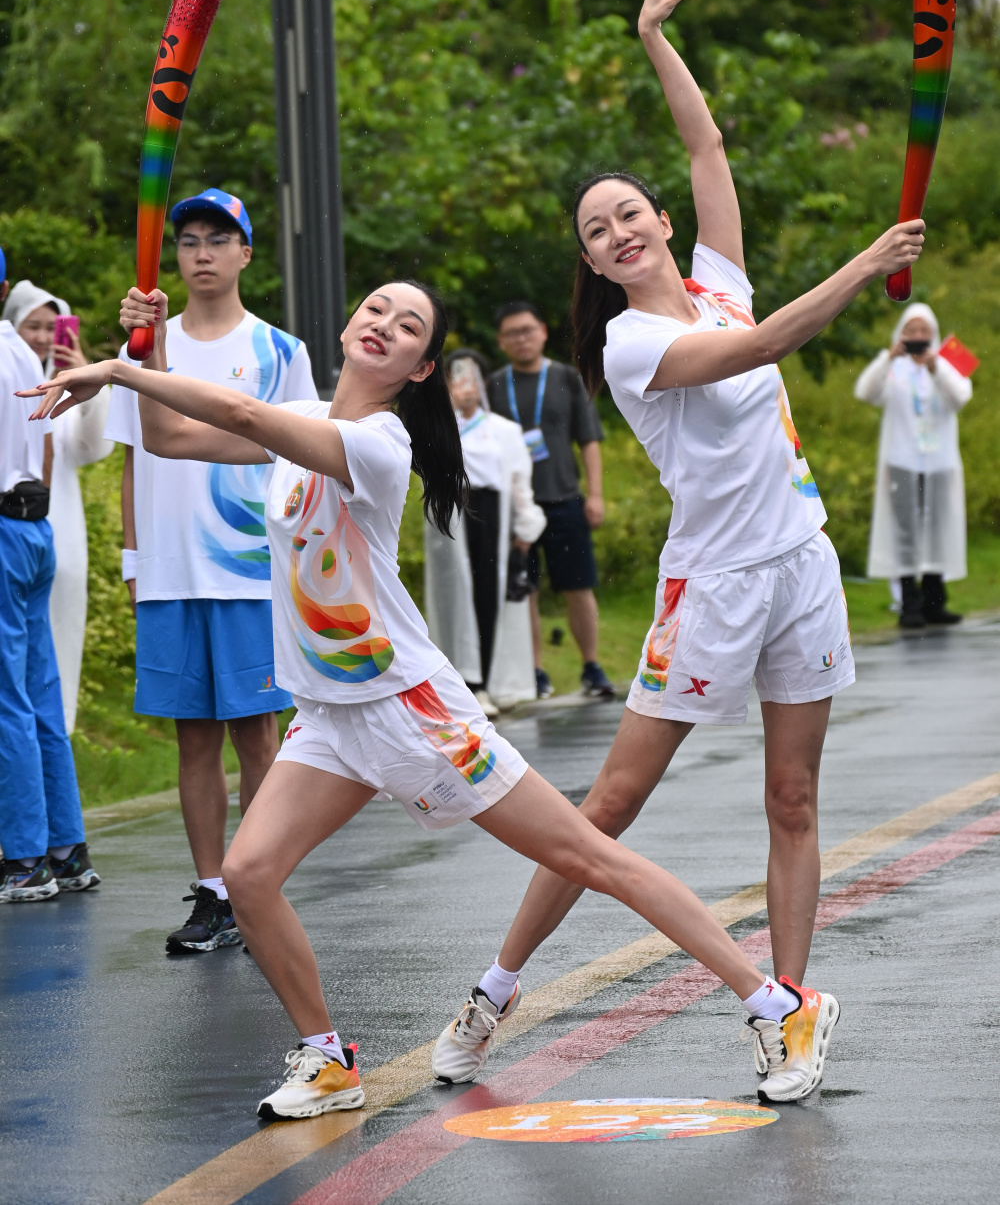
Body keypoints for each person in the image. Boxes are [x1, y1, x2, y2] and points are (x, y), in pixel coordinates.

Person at [23, 276, 836, 1118]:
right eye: (375, 309)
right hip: (332, 714)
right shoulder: (311, 411)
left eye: (408, 327)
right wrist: (141, 349)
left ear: (422, 368)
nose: (384, 325)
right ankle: (327, 1058)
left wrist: (119, 373)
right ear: (347, 322)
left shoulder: (377, 442)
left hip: (411, 707)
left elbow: (244, 417)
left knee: (587, 856)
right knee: (249, 874)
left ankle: (778, 1002)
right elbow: (168, 436)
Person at [430, 0, 925, 1103]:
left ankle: (790, 1012)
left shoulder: (717, 276)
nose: (618, 232)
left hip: (797, 565)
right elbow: (754, 350)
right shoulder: (631, 343)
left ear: (655, 216)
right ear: (592, 262)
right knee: (603, 807)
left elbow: (705, 145)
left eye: (627, 212)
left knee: (792, 797)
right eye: (597, 231)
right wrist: (865, 264)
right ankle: (496, 986)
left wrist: (656, 40)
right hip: (709, 583)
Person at [102, 188, 317, 955]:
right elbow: (134, 457)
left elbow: (303, 458)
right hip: (169, 566)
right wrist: (133, 559)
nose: (200, 253)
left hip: (250, 569)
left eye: (217, 240)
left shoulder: (280, 352)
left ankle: (257, 882)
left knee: (257, 736)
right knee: (193, 739)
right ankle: (213, 891)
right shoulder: (143, 349)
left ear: (245, 253)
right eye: (188, 240)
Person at [0, 248, 99, 900]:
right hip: (34, 525)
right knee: (37, 692)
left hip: (3, 531)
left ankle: (25, 860)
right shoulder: (17, 351)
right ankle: (65, 849)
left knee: (9, 698)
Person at [2, 280, 114, 732]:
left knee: (59, 646)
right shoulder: (11, 380)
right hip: (16, 535)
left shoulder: (68, 389)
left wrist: (89, 376)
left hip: (61, 535)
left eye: (54, 327)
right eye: (34, 326)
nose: (45, 337)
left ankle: (55, 734)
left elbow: (92, 448)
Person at [489, 300, 614, 700]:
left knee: (579, 586)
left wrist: (595, 494)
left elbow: (589, 440)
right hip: (513, 508)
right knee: (525, 590)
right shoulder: (493, 385)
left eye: (527, 330)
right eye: (512, 334)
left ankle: (592, 667)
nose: (521, 339)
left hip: (563, 499)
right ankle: (535, 671)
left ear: (542, 331)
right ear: (501, 341)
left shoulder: (566, 377)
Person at [424, 349, 546, 714]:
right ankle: (465, 681)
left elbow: (520, 481)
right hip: (454, 517)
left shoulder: (505, 430)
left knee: (489, 595)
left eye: (472, 376)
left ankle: (491, 680)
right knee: (457, 599)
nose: (466, 386)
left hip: (493, 517)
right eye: (457, 377)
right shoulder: (437, 430)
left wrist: (526, 526)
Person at [855, 303, 971, 628]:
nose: (918, 337)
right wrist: (889, 357)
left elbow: (961, 396)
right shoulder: (893, 369)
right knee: (905, 532)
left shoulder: (947, 364)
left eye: (924, 331)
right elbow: (866, 391)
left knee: (936, 529)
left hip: (939, 463)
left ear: (933, 334)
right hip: (902, 461)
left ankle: (935, 601)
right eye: (912, 331)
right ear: (902, 334)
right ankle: (910, 604)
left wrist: (936, 367)